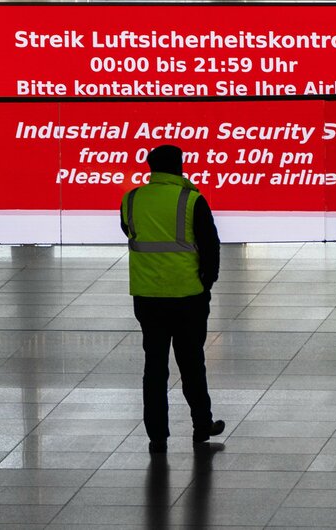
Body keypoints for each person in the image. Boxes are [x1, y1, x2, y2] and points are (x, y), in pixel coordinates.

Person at [121, 144, 224, 454]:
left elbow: (129, 231)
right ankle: (201, 425)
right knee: (192, 363)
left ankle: (157, 435)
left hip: (147, 296)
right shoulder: (192, 200)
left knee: (154, 366)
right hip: (187, 296)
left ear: (151, 168)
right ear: (179, 167)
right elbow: (210, 247)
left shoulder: (132, 198)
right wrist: (207, 283)